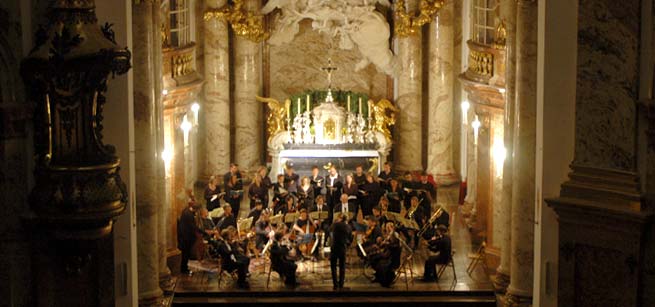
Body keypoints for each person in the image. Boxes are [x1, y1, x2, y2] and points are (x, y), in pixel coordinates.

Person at [177, 198, 203, 275]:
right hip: (186, 237)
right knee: (186, 254)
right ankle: (184, 269)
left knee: (186, 254)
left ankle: (184, 268)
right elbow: (193, 227)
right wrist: (202, 231)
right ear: (197, 209)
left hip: (184, 236)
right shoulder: (189, 215)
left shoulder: (186, 210)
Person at [371, 222, 401, 287]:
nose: (387, 229)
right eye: (386, 227)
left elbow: (394, 244)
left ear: (392, 227)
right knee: (374, 258)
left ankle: (383, 279)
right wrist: (381, 242)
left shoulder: (394, 234)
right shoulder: (389, 234)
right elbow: (386, 243)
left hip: (391, 256)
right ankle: (378, 276)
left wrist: (386, 243)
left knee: (376, 259)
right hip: (387, 253)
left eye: (389, 227)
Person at [330, 213, 352, 290]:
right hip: (342, 247)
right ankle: (341, 284)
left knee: (333, 267)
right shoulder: (348, 227)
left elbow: (330, 231)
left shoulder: (334, 225)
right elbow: (350, 239)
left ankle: (335, 284)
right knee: (342, 267)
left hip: (334, 247)